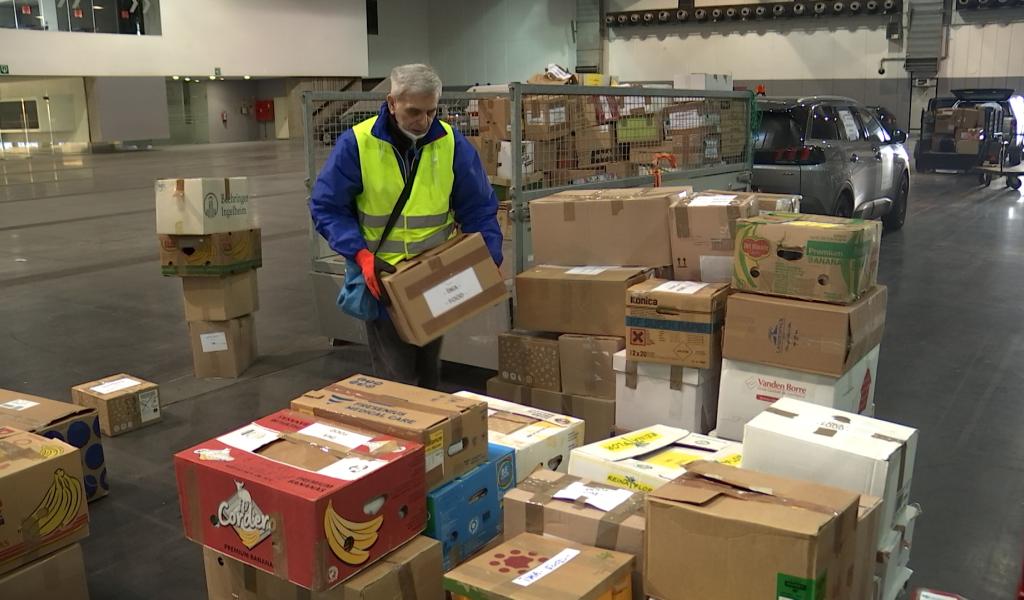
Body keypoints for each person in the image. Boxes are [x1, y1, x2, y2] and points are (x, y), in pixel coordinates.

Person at [310, 63, 502, 389]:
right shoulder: (358, 144)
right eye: (414, 111)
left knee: (428, 376)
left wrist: (489, 257)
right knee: (397, 382)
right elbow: (327, 206)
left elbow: (479, 208)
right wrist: (360, 254)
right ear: (392, 102)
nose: (423, 121)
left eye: (431, 111)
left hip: (434, 278)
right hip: (384, 280)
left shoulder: (450, 144)